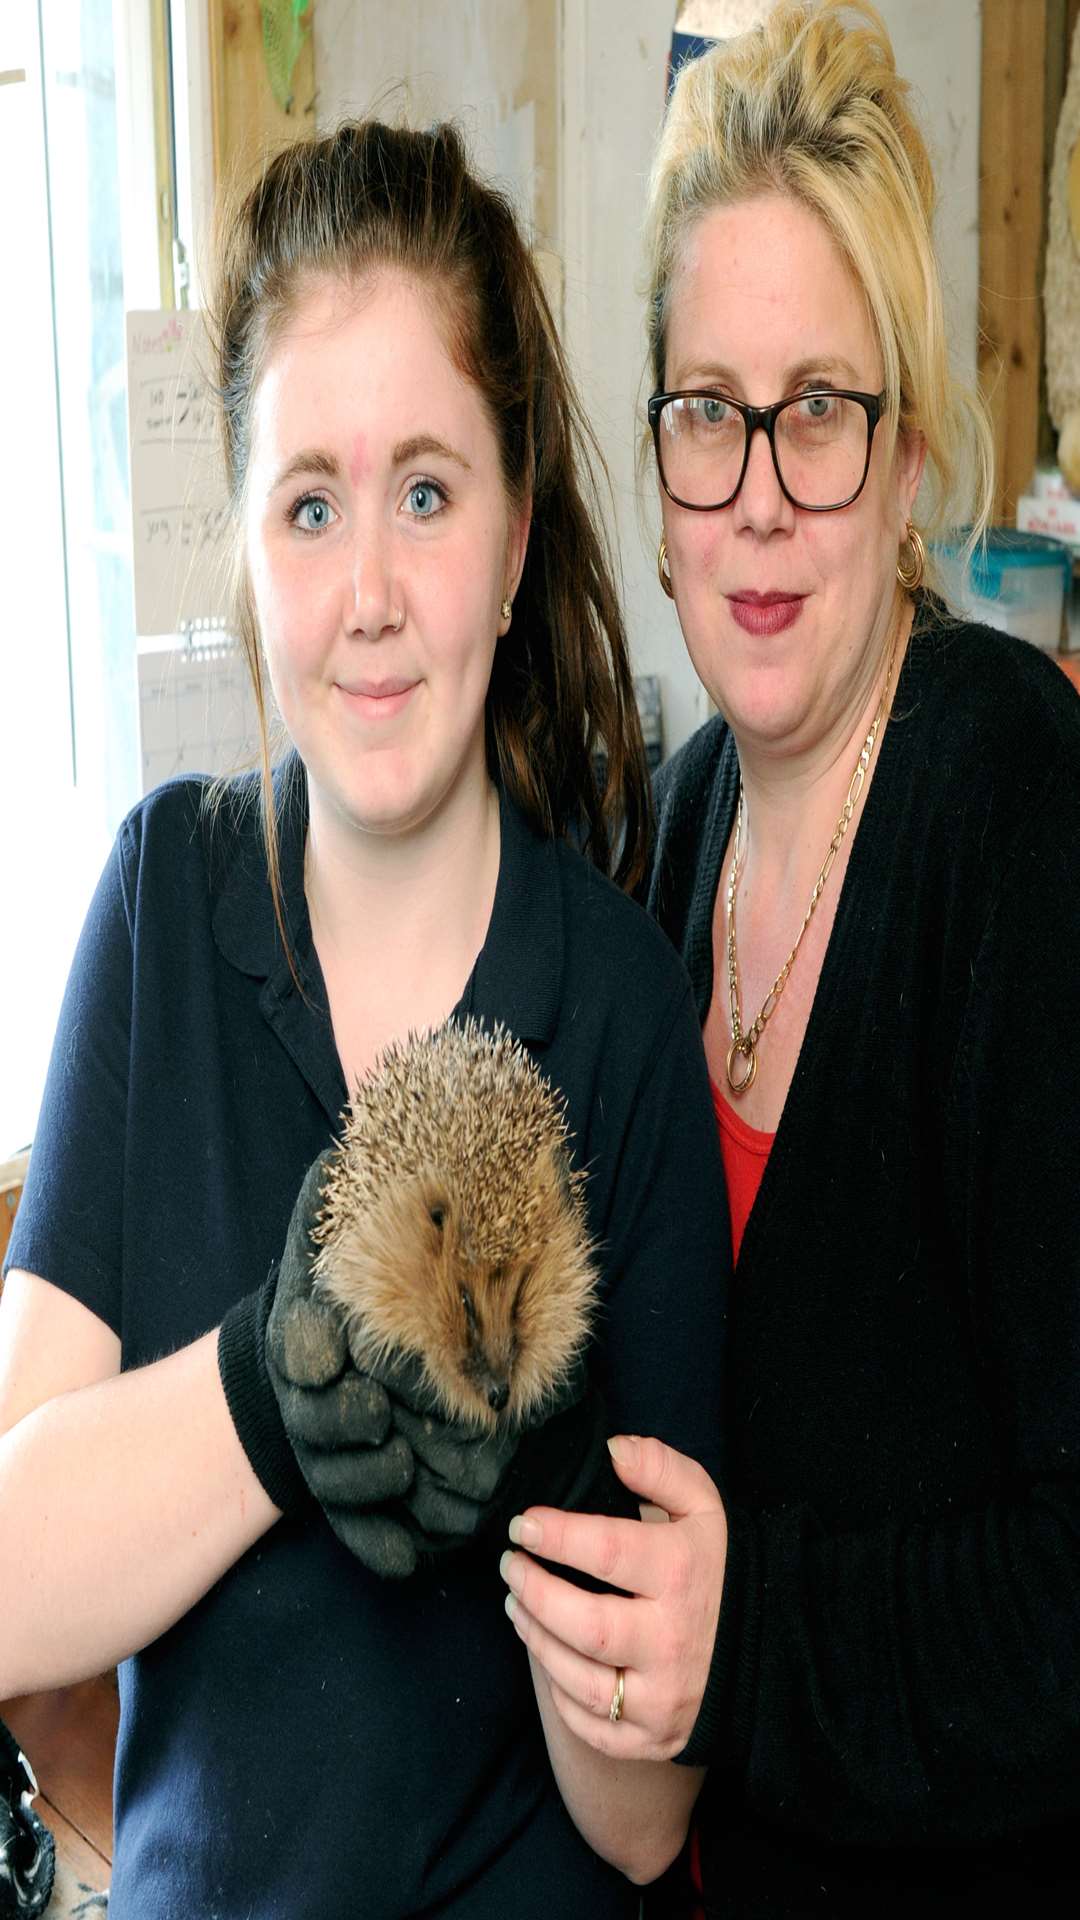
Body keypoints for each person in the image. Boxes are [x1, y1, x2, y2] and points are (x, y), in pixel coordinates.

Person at [0, 120, 729, 1916]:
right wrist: (265, 1393)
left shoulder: (619, 1010)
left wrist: (557, 1478)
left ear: (514, 528)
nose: (376, 594)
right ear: (248, 550)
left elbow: (646, 1826)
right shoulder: (167, 908)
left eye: (427, 489)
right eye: (310, 504)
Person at [496, 4, 1080, 1914]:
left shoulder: (1013, 813)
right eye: (706, 411)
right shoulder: (666, 847)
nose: (757, 489)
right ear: (654, 475)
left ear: (912, 460)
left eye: (818, 412)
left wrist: (747, 1647)